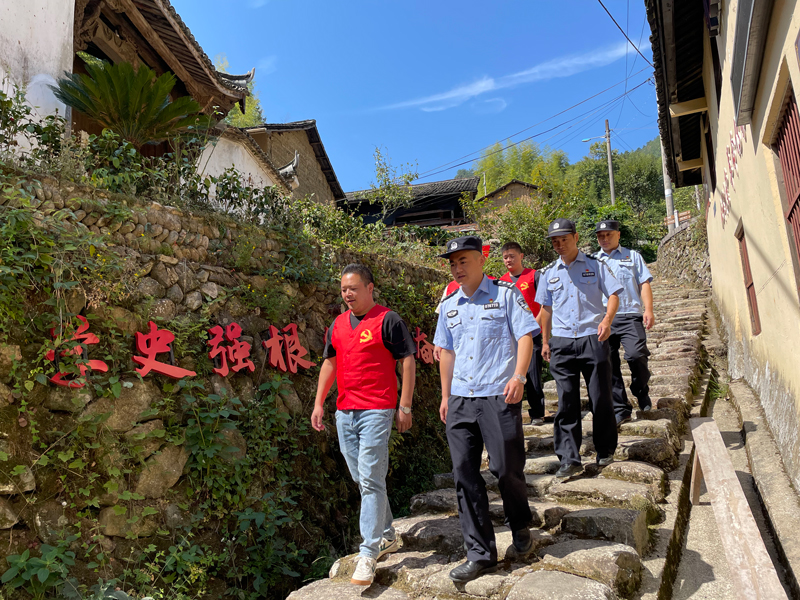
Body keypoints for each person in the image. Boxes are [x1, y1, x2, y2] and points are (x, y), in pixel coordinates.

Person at [434, 236, 540, 583]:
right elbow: (446, 352)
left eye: (463, 261)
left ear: (482, 260)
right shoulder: (448, 305)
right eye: (453, 263)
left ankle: (519, 523)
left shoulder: (505, 295)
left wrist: (519, 376)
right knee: (464, 474)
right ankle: (480, 554)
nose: (457, 268)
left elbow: (525, 336)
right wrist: (445, 396)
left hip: (498, 394)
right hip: (461, 398)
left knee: (507, 467)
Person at [311, 263, 416, 587]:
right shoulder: (338, 324)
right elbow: (330, 362)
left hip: (377, 409)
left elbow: (407, 360)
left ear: (370, 288)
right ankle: (387, 534)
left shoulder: (388, 320)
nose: (348, 294)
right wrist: (318, 403)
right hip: (345, 412)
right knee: (364, 478)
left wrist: (405, 405)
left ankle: (368, 553)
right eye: (344, 289)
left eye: (353, 288)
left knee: (370, 478)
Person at [535, 219, 623, 480]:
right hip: (562, 343)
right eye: (555, 241)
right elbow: (545, 309)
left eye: (564, 239)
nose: (560, 244)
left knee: (600, 397)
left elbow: (614, 294)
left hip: (592, 337)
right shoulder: (548, 273)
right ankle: (569, 459)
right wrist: (545, 341)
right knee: (566, 402)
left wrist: (607, 320)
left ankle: (605, 449)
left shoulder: (596, 265)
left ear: (575, 237)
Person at [595, 219, 655, 423]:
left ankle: (641, 389)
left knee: (636, 354)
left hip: (630, 315)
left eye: (608, 234)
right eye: (600, 236)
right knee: (608, 363)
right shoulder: (593, 261)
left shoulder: (633, 256)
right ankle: (621, 408)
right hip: (604, 318)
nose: (604, 239)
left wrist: (648, 310)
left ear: (618, 235)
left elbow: (644, 283)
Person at [499, 242, 546, 426]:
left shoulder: (534, 276)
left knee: (532, 373)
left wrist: (535, 326)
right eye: (505, 257)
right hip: (510, 336)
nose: (508, 260)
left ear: (521, 256)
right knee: (510, 374)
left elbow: (545, 304)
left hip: (531, 333)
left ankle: (537, 413)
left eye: (512, 256)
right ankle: (511, 412)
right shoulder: (501, 281)